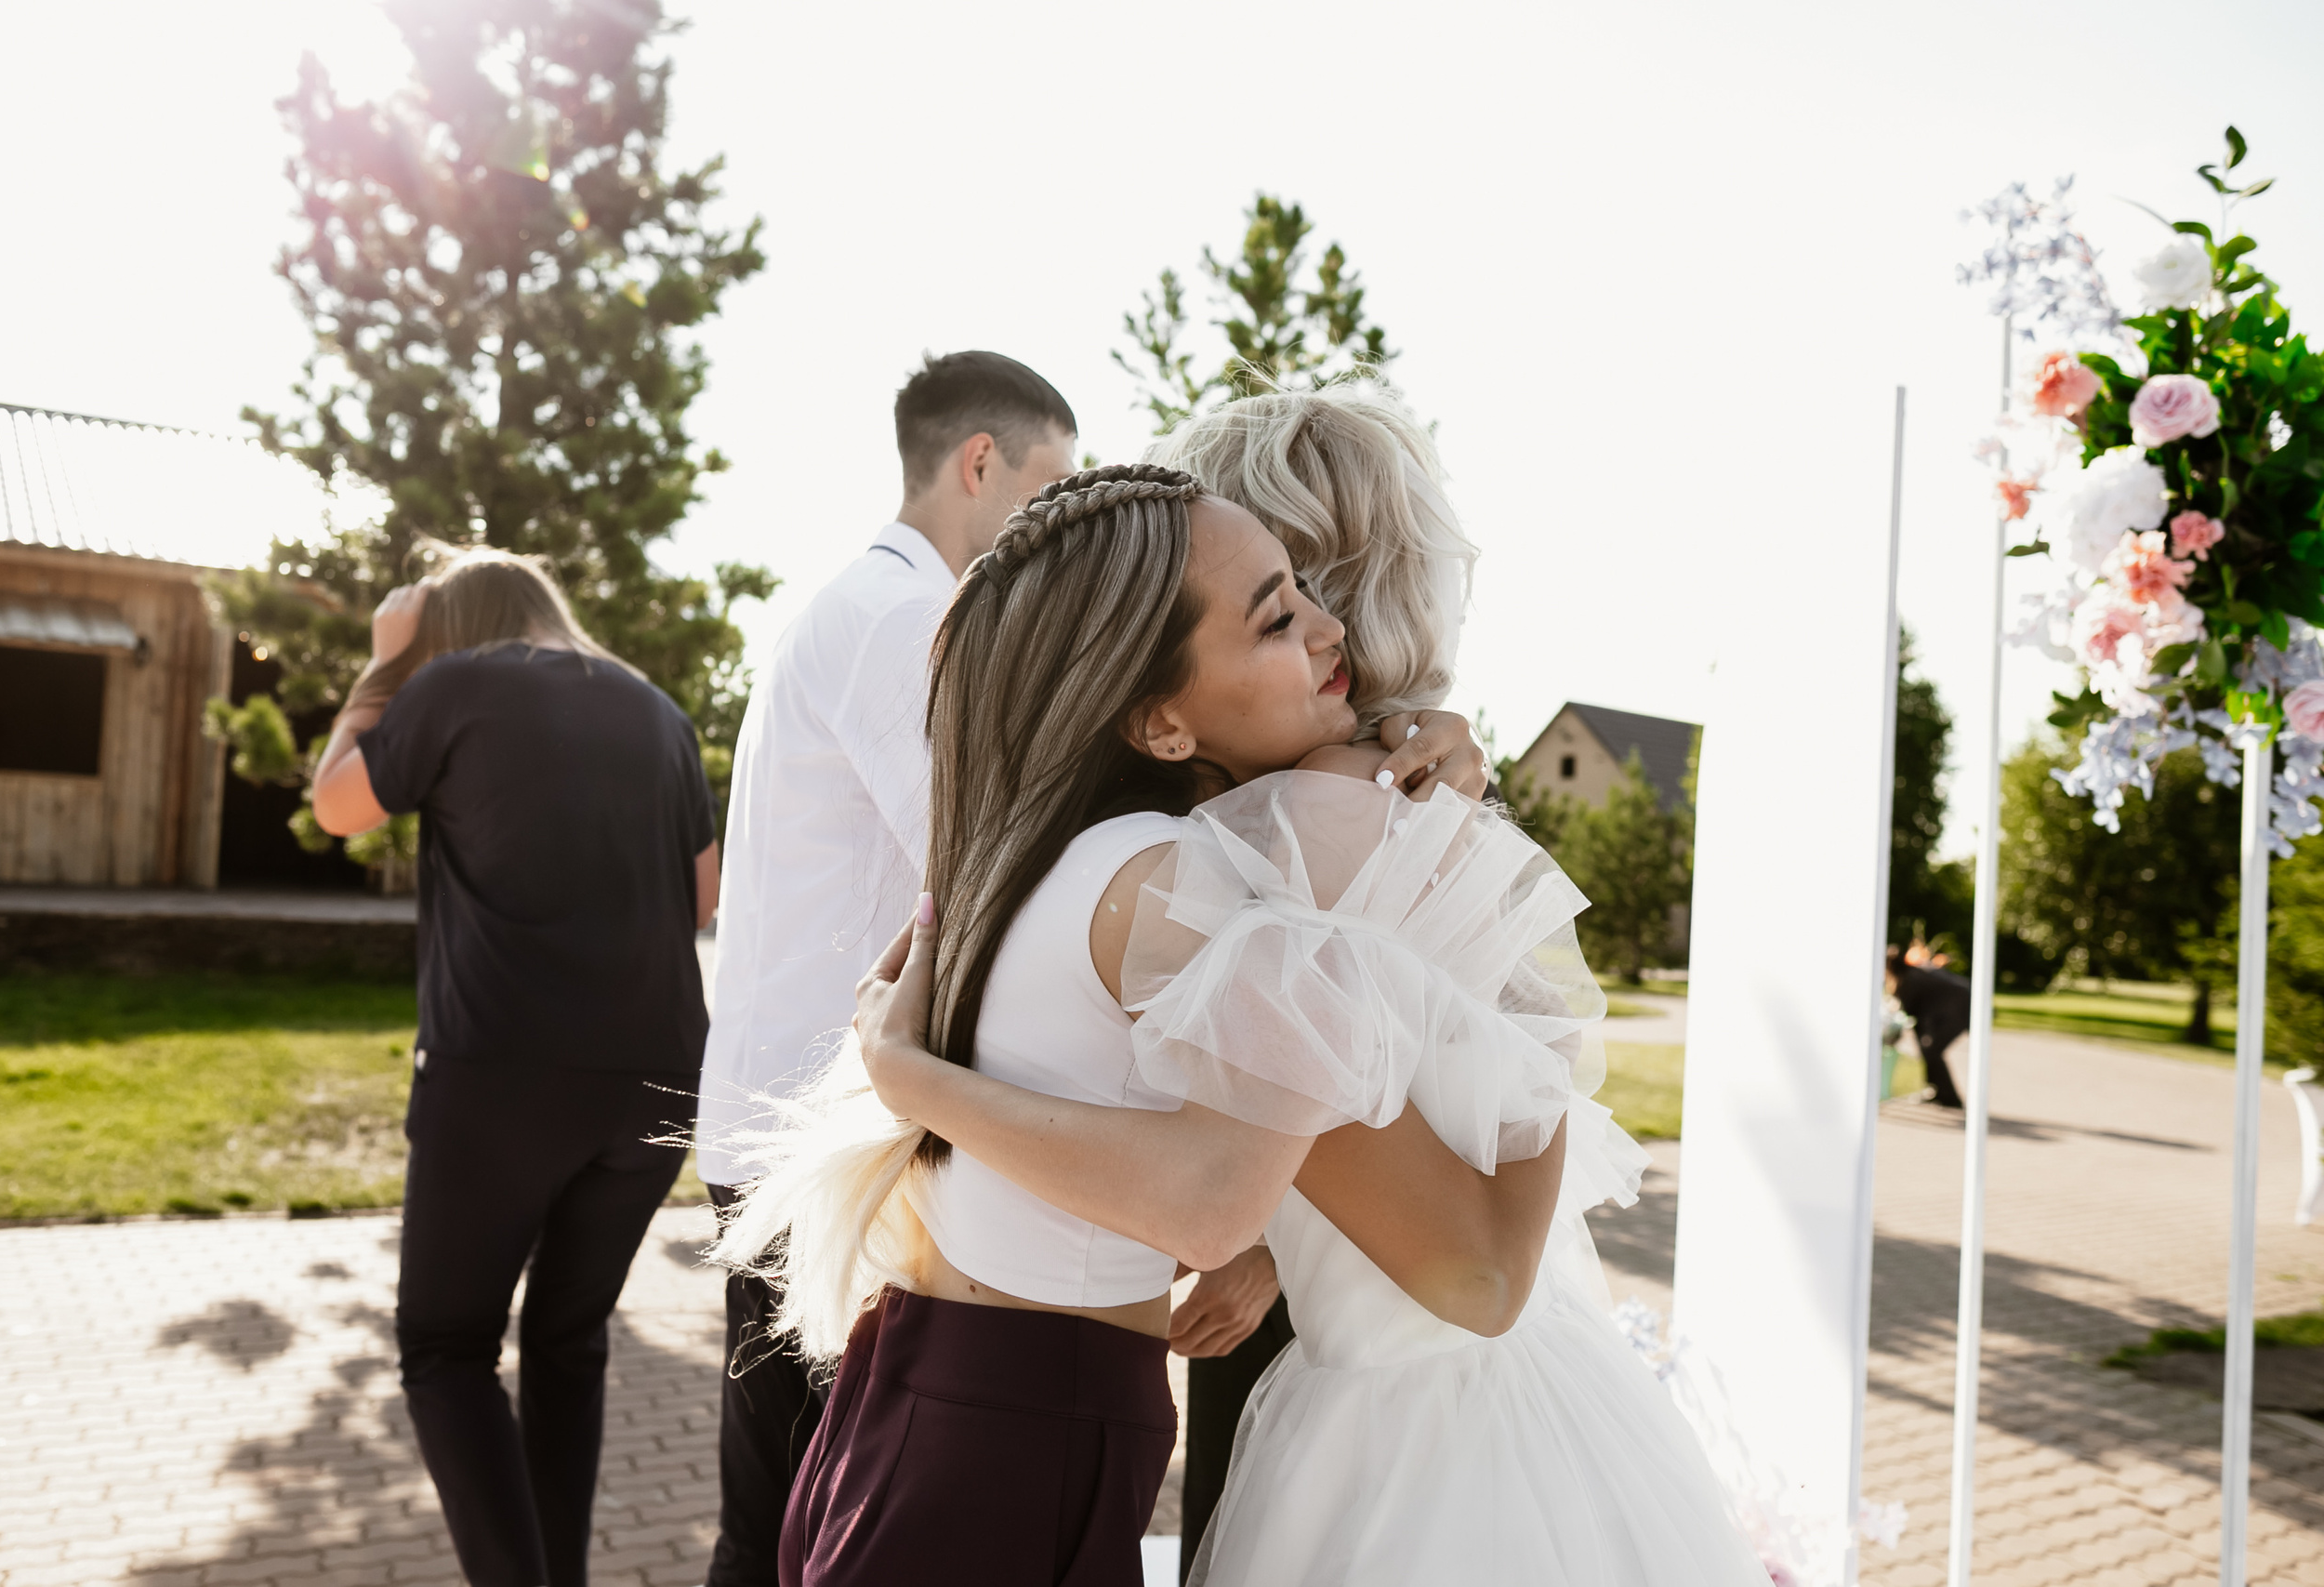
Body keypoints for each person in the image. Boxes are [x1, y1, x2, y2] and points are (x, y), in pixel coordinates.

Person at [721, 466, 1765, 1585]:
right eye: (1276, 615)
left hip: (936, 1408)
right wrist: (910, 1080)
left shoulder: (1064, 857)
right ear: (1159, 721)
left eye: (1309, 590)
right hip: (1008, 1446)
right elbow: (1232, 1207)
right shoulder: (1180, 887)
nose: (1328, 632)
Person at [686, 350, 1079, 1586]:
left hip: (782, 1118)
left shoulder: (849, 606)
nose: (1058, 530)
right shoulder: (908, 617)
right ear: (979, 463)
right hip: (819, 1142)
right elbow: (983, 861)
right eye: (1050, 487)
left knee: (791, 1508)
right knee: (802, 1520)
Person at [310, 547, 717, 1587]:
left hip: (502, 1074)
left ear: (455, 623)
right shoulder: (659, 713)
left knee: (446, 1350)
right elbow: (704, 896)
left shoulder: (448, 684)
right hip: (659, 1082)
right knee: (568, 1342)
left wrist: (383, 667)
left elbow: (338, 807)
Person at [1140, 380, 1476, 1574]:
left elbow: (1432, 1090)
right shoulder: (1378, 769)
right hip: (1306, 1292)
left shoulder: (1381, 788)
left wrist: (1271, 1239)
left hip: (1342, 1315)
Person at [1887, 945, 1970, 1108]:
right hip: (1944, 1013)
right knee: (1928, 1049)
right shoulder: (1912, 974)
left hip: (1960, 1011)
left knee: (1932, 1050)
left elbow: (1906, 1008)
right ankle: (1937, 1090)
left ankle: (1950, 1097)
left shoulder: (1911, 979)